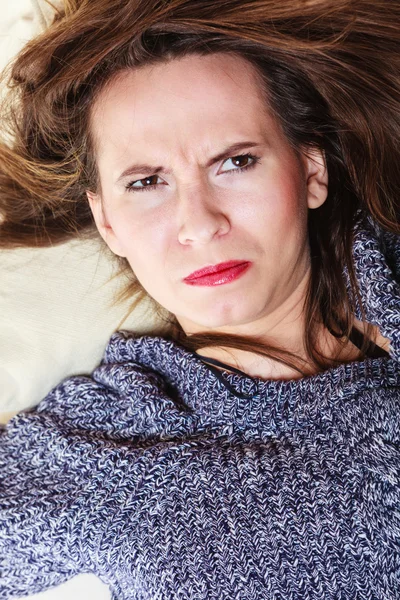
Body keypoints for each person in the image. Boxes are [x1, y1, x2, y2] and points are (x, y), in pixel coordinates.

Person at [0, 0, 399, 598]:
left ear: (311, 172)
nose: (199, 222)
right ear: (106, 221)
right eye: (147, 182)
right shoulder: (99, 445)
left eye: (236, 162)